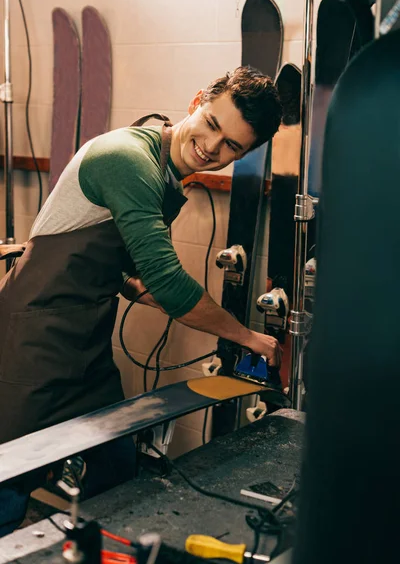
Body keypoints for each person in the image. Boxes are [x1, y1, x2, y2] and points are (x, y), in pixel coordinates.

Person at [0, 65, 282, 536]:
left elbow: (129, 274)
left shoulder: (167, 175)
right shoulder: (129, 160)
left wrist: (155, 294)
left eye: (232, 145)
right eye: (213, 124)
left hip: (84, 344)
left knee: (114, 466)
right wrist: (246, 336)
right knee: (11, 479)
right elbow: (169, 283)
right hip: (32, 339)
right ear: (196, 102)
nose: (213, 147)